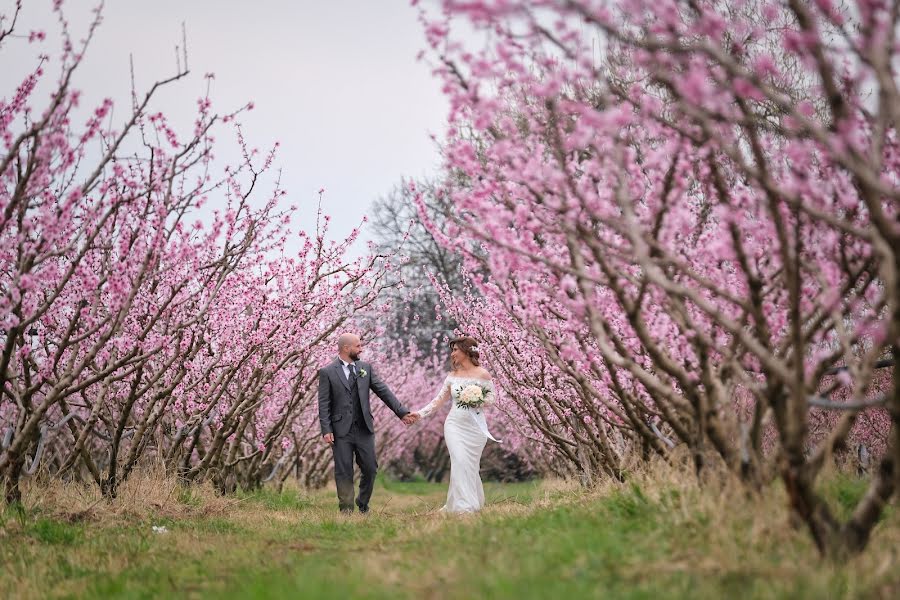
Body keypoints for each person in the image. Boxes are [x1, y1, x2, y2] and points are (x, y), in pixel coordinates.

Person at [318, 333, 418, 513]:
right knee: (344, 471)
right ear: (346, 348)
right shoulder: (327, 372)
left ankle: (362, 503)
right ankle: (346, 509)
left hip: (364, 428)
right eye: (357, 346)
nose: (361, 349)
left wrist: (401, 412)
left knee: (371, 468)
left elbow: (383, 391)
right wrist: (326, 429)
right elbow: (323, 403)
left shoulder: (365, 368)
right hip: (340, 430)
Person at [409, 336, 500, 513]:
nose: (453, 354)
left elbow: (492, 399)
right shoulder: (452, 376)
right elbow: (438, 401)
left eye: (455, 350)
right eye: (452, 350)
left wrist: (476, 399)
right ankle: (464, 507)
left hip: (475, 429)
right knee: (459, 461)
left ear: (466, 351)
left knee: (470, 466)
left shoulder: (483, 374)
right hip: (455, 426)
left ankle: (471, 502)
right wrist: (419, 414)